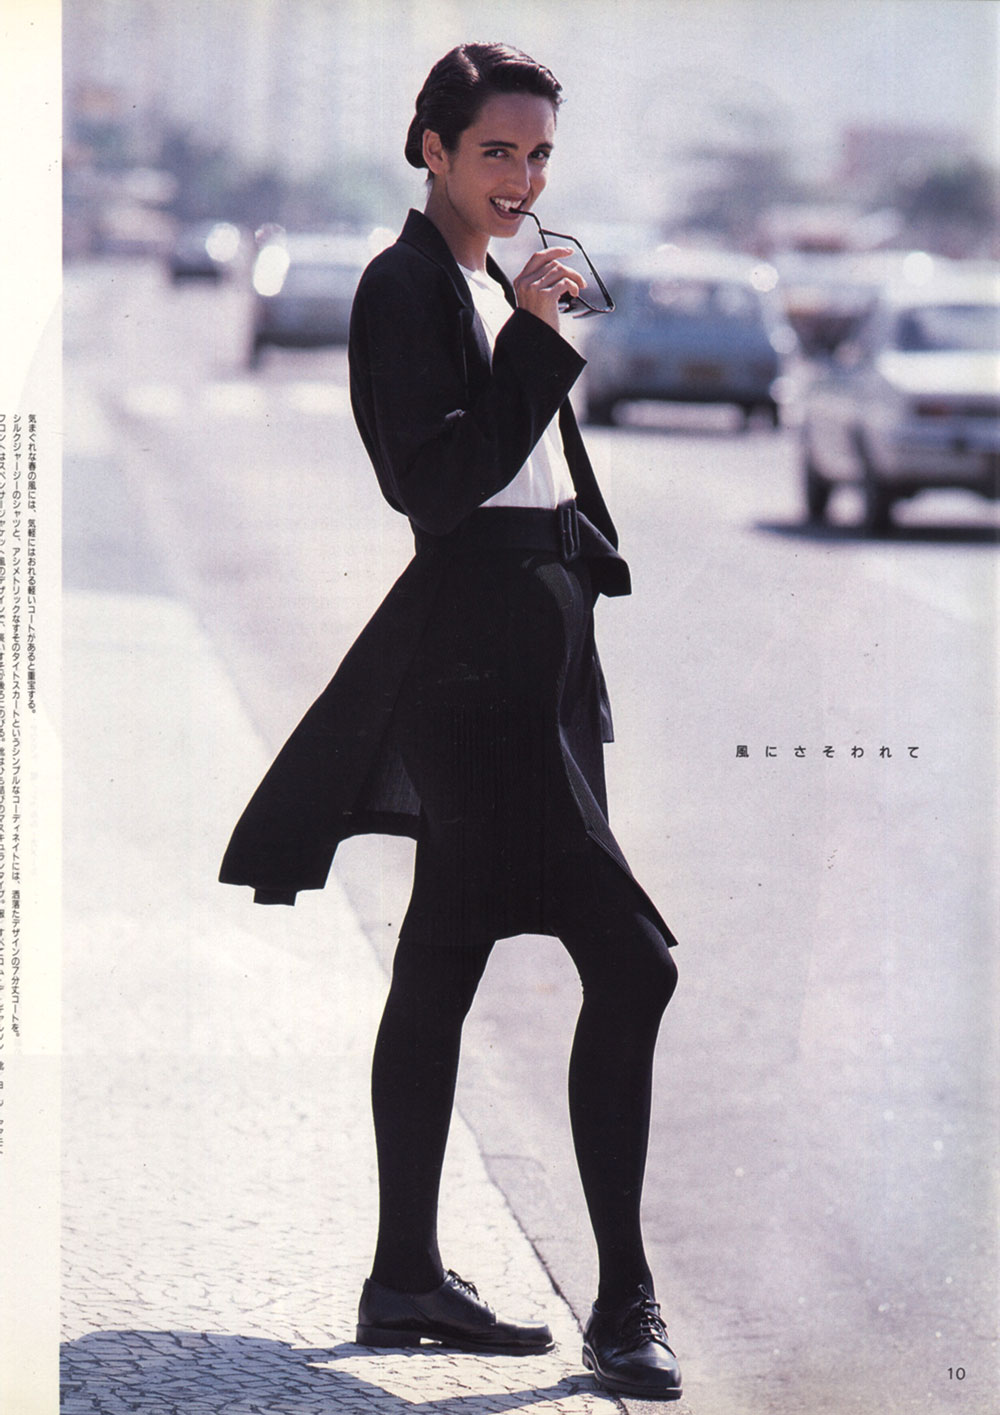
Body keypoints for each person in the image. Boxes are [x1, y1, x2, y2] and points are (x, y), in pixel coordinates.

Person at [220, 41, 683, 1402]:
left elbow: (534, 467)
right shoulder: (403, 284)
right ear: (432, 147)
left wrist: (536, 340)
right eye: (496, 152)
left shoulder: (486, 278)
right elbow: (435, 486)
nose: (521, 179)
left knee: (444, 954)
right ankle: (625, 1303)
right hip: (477, 666)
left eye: (538, 156)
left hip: (539, 653)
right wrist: (538, 341)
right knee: (635, 964)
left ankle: (406, 1277)